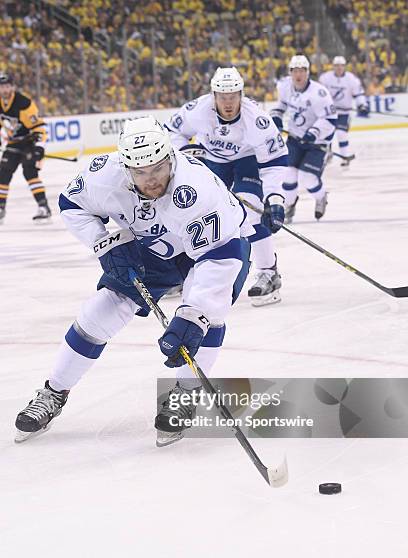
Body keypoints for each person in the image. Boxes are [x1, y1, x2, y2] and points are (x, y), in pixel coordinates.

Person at [14, 116, 285, 447]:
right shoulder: (104, 176)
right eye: (141, 172)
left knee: (204, 320)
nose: (151, 179)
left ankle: (186, 394)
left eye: (158, 168)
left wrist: (193, 314)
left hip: (219, 248)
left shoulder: (196, 190)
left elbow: (219, 259)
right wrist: (103, 243)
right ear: (125, 167)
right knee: (100, 312)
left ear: (170, 157)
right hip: (153, 246)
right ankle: (54, 391)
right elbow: (72, 205)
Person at [165, 66, 288, 307]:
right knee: (196, 212)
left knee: (251, 212)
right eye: (223, 96)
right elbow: (172, 131)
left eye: (233, 96)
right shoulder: (198, 109)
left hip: (247, 162)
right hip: (212, 161)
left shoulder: (258, 120)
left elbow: (275, 162)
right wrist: (185, 153)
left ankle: (268, 272)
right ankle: (183, 270)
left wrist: (274, 199)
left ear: (241, 95)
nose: (228, 102)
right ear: (214, 95)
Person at [271, 55, 337, 223]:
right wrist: (277, 117)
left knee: (308, 178)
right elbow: (281, 105)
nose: (298, 75)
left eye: (302, 71)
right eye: (295, 71)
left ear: (308, 72)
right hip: (294, 138)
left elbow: (330, 119)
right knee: (288, 173)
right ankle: (290, 204)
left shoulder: (319, 93)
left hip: (317, 142)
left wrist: (313, 133)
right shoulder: (285, 86)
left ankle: (321, 197)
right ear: (290, 72)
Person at [0, 73, 50, 223]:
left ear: (13, 87)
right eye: (2, 87)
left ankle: (44, 207)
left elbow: (39, 127)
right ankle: (1, 208)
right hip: (14, 142)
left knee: (30, 173)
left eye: (7, 86)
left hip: (30, 142)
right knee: (3, 174)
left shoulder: (23, 103)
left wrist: (39, 148)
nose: (4, 90)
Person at [319, 56, 369, 167]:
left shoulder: (352, 79)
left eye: (341, 65)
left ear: (345, 66)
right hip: (328, 113)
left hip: (344, 113)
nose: (339, 68)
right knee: (326, 134)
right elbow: (319, 94)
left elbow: (359, 94)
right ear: (333, 66)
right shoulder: (325, 78)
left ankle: (345, 157)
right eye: (336, 65)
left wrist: (362, 104)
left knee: (341, 134)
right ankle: (328, 154)